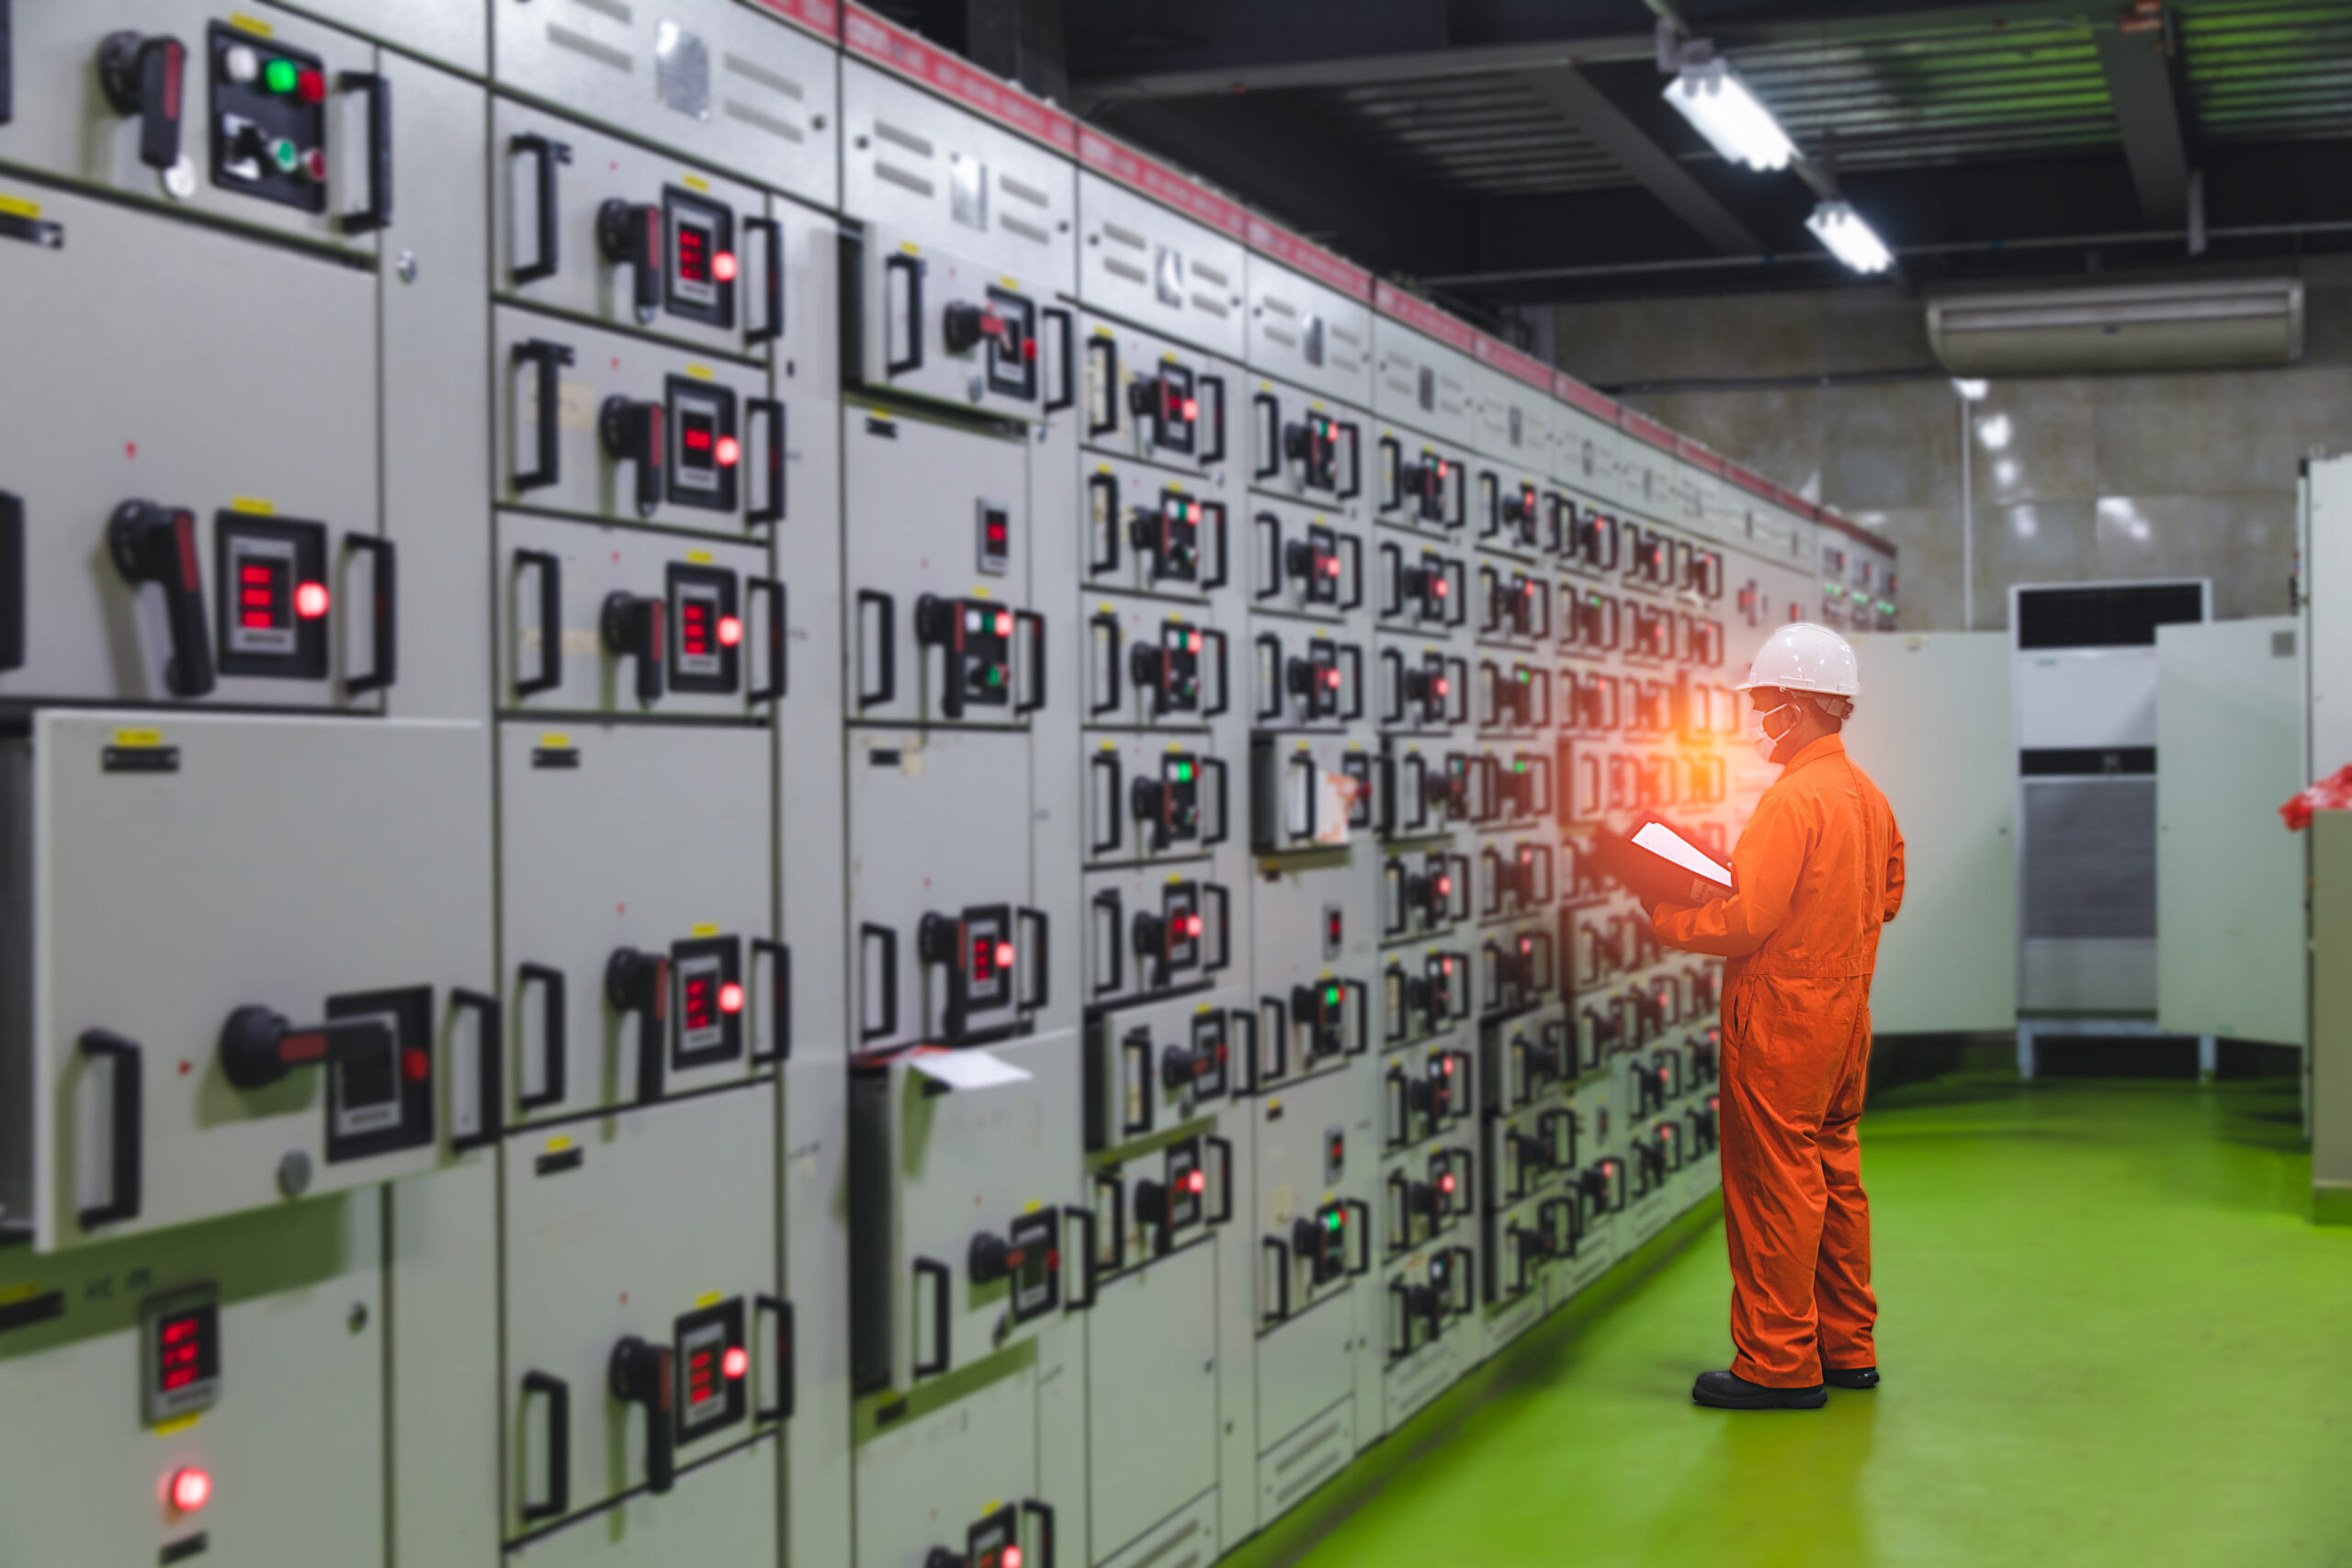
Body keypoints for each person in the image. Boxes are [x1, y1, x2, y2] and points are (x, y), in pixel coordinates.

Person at [1646, 622, 1905, 1411]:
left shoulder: (1794, 798)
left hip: (1781, 1020)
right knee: (1834, 1173)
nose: (1756, 716)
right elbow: (1886, 894)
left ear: (1793, 705)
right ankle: (1845, 1344)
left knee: (1774, 1187)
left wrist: (1668, 918)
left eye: (1762, 702)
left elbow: (1745, 920)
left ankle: (1777, 1363)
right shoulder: (1866, 793)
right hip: (1845, 1014)